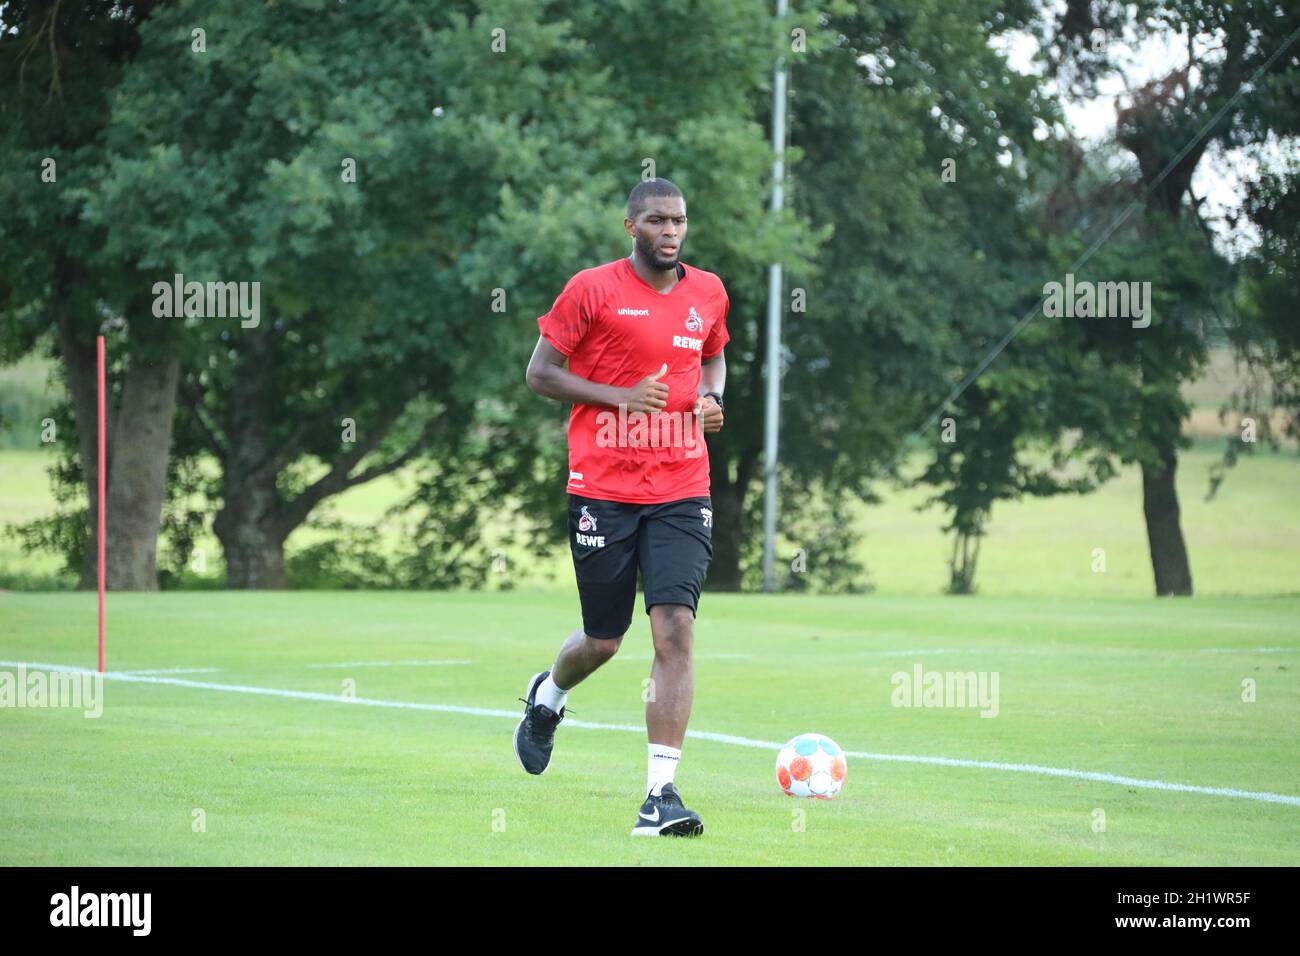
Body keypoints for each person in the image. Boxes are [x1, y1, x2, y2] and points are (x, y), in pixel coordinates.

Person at [515, 177, 729, 836]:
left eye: (680, 221)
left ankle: (659, 796)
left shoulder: (708, 292)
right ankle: (547, 698)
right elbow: (539, 373)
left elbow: (713, 359)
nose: (671, 232)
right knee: (604, 640)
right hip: (603, 487)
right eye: (658, 221)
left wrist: (712, 401)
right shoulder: (592, 290)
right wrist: (618, 397)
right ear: (631, 226)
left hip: (682, 486)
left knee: (675, 630)